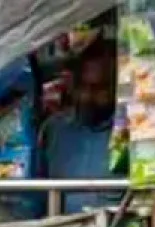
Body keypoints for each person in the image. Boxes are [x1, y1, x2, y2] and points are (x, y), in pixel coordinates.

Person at [40, 41, 123, 215]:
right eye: (82, 87)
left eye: (99, 89)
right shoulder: (54, 130)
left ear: (116, 87)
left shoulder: (128, 134)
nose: (88, 96)